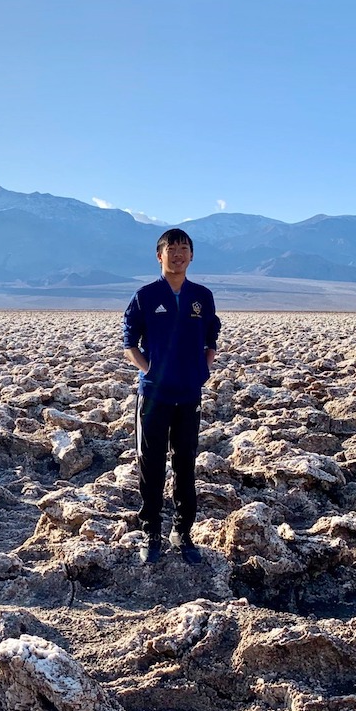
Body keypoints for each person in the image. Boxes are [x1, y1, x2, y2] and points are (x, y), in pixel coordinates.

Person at [122, 228, 220, 565]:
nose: (178, 254)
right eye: (171, 249)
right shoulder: (146, 296)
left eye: (184, 249)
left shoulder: (201, 296)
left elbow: (212, 336)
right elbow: (129, 341)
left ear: (192, 256)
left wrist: (204, 369)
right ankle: (151, 532)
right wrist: (147, 370)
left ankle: (183, 531)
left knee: (185, 463)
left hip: (188, 393)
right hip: (154, 396)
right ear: (159, 255)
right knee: (151, 464)